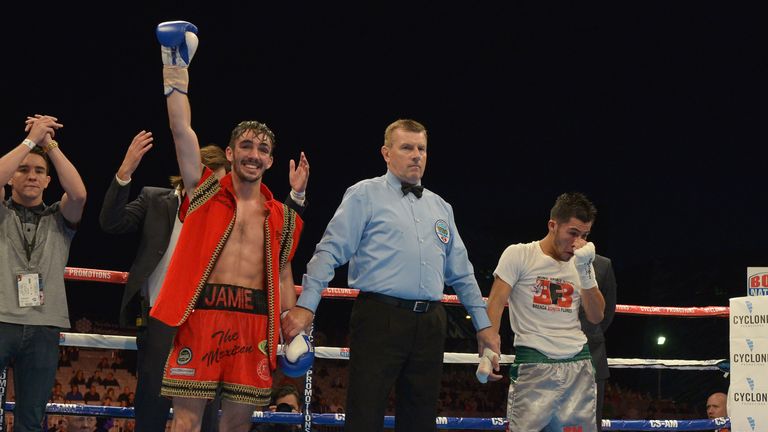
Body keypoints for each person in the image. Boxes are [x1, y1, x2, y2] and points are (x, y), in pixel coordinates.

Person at [282, 118, 501, 432]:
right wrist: (307, 305)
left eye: (421, 149)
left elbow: (463, 273)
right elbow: (328, 252)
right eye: (407, 147)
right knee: (365, 416)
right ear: (386, 153)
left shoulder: (441, 207)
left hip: (430, 322)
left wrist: (484, 325)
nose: (416, 155)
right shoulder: (364, 195)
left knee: (420, 420)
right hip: (379, 318)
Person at [149, 20, 304, 432]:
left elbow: (284, 271)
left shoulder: (283, 218)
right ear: (232, 151)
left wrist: (291, 324)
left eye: (263, 149)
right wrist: (174, 70)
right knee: (185, 421)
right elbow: (181, 130)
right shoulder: (204, 192)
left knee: (237, 425)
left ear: (271, 160)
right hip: (201, 314)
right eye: (247, 146)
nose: (254, 155)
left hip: (253, 322)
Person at [99, 128, 308, 432]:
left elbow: (273, 248)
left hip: (229, 317)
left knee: (214, 417)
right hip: (165, 318)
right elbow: (112, 222)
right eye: (218, 179)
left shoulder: (232, 208)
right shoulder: (159, 200)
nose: (222, 187)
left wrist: (295, 198)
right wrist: (125, 172)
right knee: (154, 407)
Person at [486, 192, 606, 432]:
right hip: (535, 363)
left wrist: (586, 272)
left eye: (584, 236)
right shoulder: (519, 254)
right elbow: (496, 302)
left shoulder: (582, 262)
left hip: (578, 364)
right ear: (553, 225)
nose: (578, 243)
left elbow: (596, 316)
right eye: (572, 233)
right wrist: (488, 349)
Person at [0, 114, 87, 431]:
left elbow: (78, 194)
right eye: (23, 170)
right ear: (12, 177)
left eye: (39, 171)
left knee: (31, 418)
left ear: (49, 180)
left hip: (43, 325)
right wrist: (28, 142)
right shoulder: (2, 211)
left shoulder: (58, 218)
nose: (31, 176)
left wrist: (49, 144)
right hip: (0, 319)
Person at [579, 253, 617, 431]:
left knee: (589, 424)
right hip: (549, 354)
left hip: (591, 353)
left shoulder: (602, 264)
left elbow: (607, 313)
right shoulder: (547, 259)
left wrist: (590, 334)